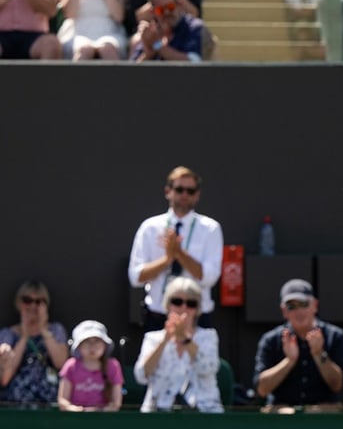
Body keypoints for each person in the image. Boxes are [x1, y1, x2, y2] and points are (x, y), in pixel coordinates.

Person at [128, 166, 223, 332]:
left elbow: (209, 277)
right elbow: (136, 277)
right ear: (168, 191)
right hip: (158, 314)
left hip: (197, 316)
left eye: (190, 191)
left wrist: (178, 253)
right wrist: (167, 259)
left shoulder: (210, 228)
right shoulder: (150, 227)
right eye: (179, 189)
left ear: (197, 195)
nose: (184, 195)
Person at [253, 279, 343, 411]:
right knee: (284, 413)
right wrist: (289, 361)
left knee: (323, 411)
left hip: (322, 411)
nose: (299, 311)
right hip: (282, 411)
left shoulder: (335, 336)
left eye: (303, 304)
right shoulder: (271, 339)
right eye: (292, 306)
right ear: (284, 311)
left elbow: (337, 385)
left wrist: (319, 354)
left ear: (315, 305)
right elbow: (262, 389)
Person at [133, 277, 223, 413]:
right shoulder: (152, 338)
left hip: (203, 412)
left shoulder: (208, 336)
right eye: (177, 302)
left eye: (191, 304)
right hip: (158, 413)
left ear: (197, 309)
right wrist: (165, 340)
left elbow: (208, 369)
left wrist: (185, 340)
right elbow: (141, 376)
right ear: (168, 304)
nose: (183, 308)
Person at [0, 281, 69, 406]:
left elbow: (61, 364)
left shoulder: (55, 330)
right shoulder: (8, 334)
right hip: (16, 401)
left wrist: (43, 329)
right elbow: (5, 377)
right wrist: (24, 336)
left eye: (38, 302)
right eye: (27, 300)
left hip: (50, 400)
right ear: (18, 303)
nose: (33, 306)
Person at [130, 0, 204, 61]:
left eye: (170, 7)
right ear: (153, 12)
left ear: (179, 5)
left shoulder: (194, 27)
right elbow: (133, 71)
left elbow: (194, 62)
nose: (167, 12)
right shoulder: (151, 32)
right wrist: (148, 54)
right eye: (160, 10)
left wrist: (157, 46)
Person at [58, 320, 123, 412]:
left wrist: (102, 411)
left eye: (97, 341)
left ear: (104, 345)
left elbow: (116, 403)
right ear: (79, 346)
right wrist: (76, 410)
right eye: (87, 341)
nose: (92, 346)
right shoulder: (70, 365)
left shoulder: (113, 366)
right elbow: (63, 401)